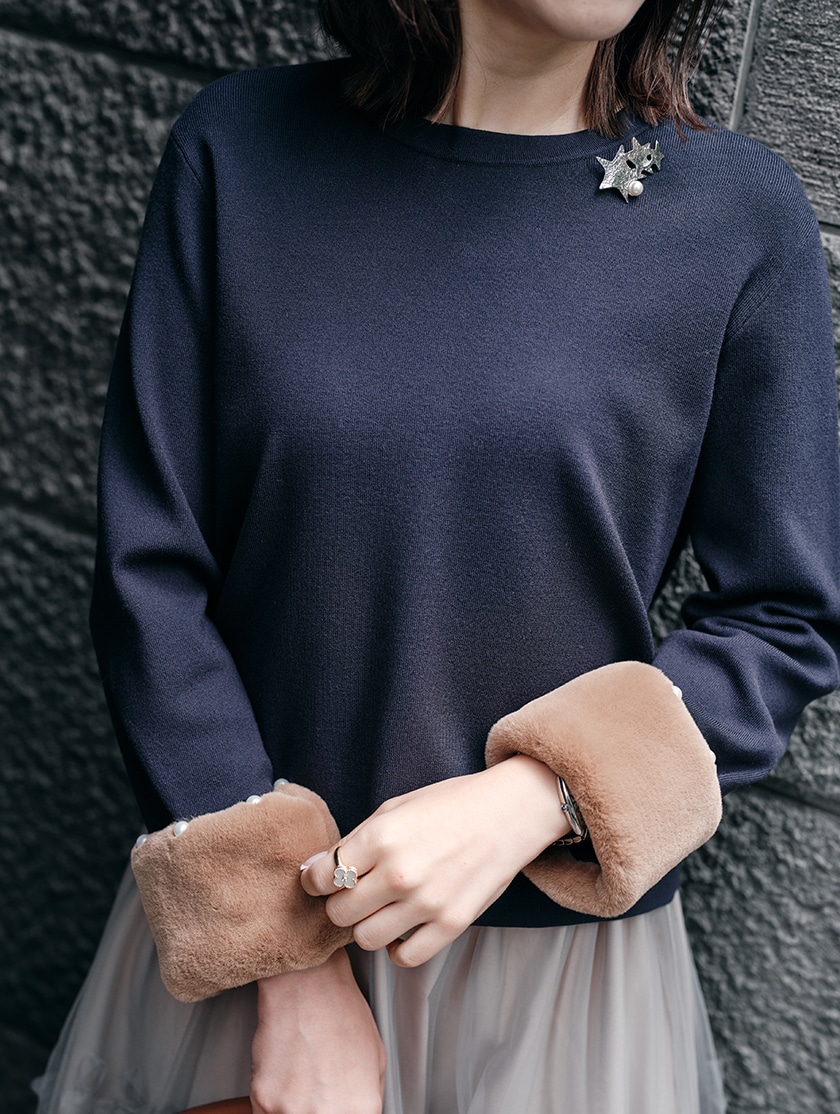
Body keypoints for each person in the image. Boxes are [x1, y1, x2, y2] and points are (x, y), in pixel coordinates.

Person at [33, 1, 840, 1112]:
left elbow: (786, 618)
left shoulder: (741, 217)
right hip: (259, 954)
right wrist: (290, 963)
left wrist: (542, 794)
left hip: (553, 993)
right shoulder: (240, 148)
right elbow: (150, 579)